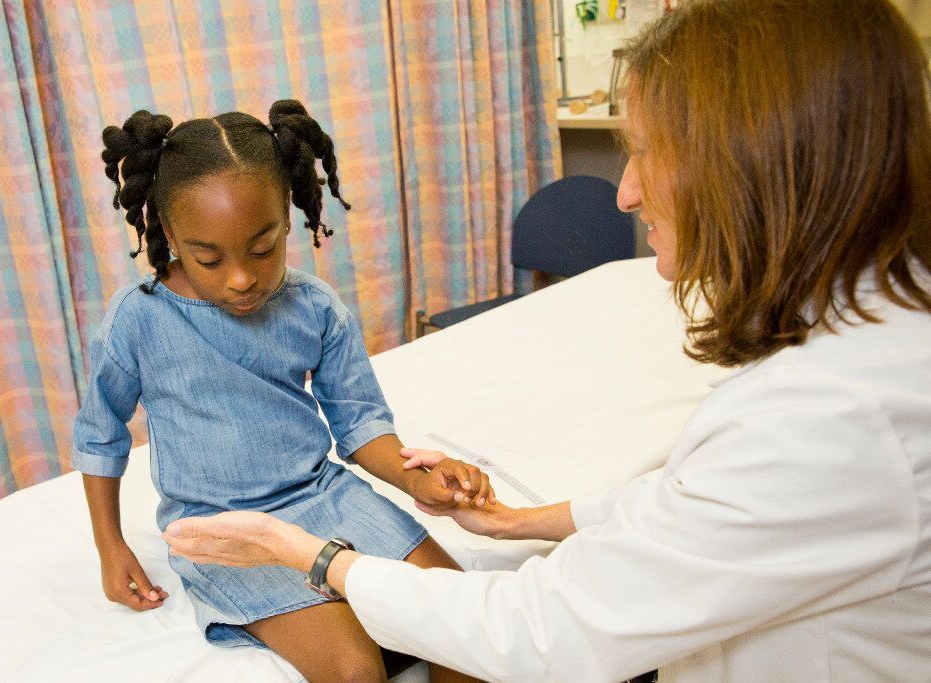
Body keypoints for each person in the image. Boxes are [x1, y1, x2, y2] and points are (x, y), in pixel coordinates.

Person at [162, 1, 931, 680]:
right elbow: (696, 501)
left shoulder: (833, 418)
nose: (625, 190)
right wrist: (522, 521)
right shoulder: (860, 347)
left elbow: (540, 632)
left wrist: (312, 554)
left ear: (752, 166)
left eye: (646, 151)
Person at [73, 100, 493, 682]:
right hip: (223, 526)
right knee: (355, 671)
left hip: (324, 496)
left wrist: (422, 479)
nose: (241, 278)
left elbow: (361, 424)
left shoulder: (314, 307)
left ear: (288, 217)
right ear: (169, 232)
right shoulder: (137, 321)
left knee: (464, 623)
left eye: (263, 248)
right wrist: (109, 544)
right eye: (208, 258)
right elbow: (100, 433)